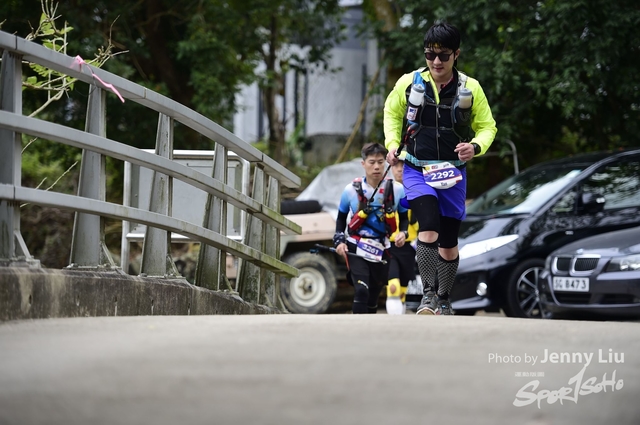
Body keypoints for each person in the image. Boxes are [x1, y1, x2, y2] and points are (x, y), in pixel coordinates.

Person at [383, 21, 498, 315]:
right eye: (430, 54)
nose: (436, 61)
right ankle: (428, 296)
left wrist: (475, 146)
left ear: (456, 54)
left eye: (443, 55)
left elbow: (488, 127)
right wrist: (392, 143)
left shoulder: (470, 88)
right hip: (416, 168)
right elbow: (392, 113)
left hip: (453, 171)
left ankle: (445, 297)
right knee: (428, 225)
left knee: (448, 241)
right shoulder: (408, 82)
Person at [334, 143, 409, 314]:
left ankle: (369, 327)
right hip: (356, 247)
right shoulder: (350, 190)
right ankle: (357, 327)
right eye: (372, 162)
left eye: (380, 162)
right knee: (361, 290)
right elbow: (340, 220)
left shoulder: (398, 190)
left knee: (373, 296)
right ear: (363, 164)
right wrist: (339, 241)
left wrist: (403, 233)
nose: (376, 167)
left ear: (385, 163)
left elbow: (404, 218)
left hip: (382, 249)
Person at [385, 161, 419, 315]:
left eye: (403, 166)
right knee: (393, 286)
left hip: (409, 245)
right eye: (396, 166)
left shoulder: (417, 189)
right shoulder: (385, 189)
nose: (399, 170)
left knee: (403, 288)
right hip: (389, 245)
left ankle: (399, 319)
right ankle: (393, 316)